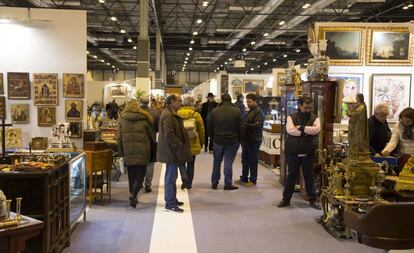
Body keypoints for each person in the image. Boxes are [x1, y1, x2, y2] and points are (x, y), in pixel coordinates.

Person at [277, 96, 321, 209]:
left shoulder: (315, 117)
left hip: (308, 151)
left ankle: (312, 200)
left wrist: (301, 127)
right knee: (291, 175)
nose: (307, 110)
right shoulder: (291, 117)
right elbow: (290, 131)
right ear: (300, 106)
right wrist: (307, 131)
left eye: (309, 108)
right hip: (293, 151)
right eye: (305, 107)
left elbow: (316, 130)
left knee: (309, 176)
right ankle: (286, 199)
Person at [157, 94, 193, 213]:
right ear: (172, 101)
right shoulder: (168, 115)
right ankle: (170, 203)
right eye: (179, 101)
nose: (181, 103)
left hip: (172, 151)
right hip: (171, 151)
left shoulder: (170, 113)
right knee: (170, 178)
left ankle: (172, 199)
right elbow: (169, 135)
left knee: (172, 177)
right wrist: (179, 145)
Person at [117, 100, 155, 208]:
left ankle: (132, 195)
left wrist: (121, 153)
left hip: (128, 151)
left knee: (131, 175)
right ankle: (134, 194)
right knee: (140, 175)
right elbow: (151, 136)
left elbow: (119, 139)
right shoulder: (145, 118)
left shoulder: (122, 119)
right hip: (143, 150)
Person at [208, 94, 243, 190]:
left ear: (221, 100)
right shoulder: (236, 111)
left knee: (217, 162)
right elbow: (241, 127)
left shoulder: (214, 111)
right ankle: (227, 184)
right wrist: (240, 139)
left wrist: (212, 137)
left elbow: (209, 125)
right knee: (228, 162)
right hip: (232, 140)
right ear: (231, 100)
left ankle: (214, 183)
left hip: (218, 140)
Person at [177, 96, 205, 190]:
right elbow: (201, 130)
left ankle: (184, 177)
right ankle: (189, 184)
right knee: (191, 164)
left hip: (180, 142)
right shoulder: (196, 115)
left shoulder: (177, 113)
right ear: (192, 103)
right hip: (193, 142)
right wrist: (201, 142)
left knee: (181, 162)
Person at [238, 93, 264, 187]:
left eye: (249, 102)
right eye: (247, 101)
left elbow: (257, 126)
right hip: (247, 139)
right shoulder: (250, 111)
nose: (248, 103)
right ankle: (244, 178)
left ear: (255, 101)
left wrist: (245, 125)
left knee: (253, 160)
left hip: (254, 140)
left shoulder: (258, 112)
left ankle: (253, 180)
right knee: (245, 159)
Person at [382, 107, 414, 174]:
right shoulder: (398, 125)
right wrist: (387, 150)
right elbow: (393, 140)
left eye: (408, 122)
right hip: (403, 157)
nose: (405, 123)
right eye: (403, 121)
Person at [140, 96, 160, 193]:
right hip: (151, 139)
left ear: (140, 102)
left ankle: (139, 182)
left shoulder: (136, 113)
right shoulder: (155, 112)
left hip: (139, 140)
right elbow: (158, 128)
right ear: (148, 103)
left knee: (139, 163)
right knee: (150, 164)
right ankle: (148, 184)